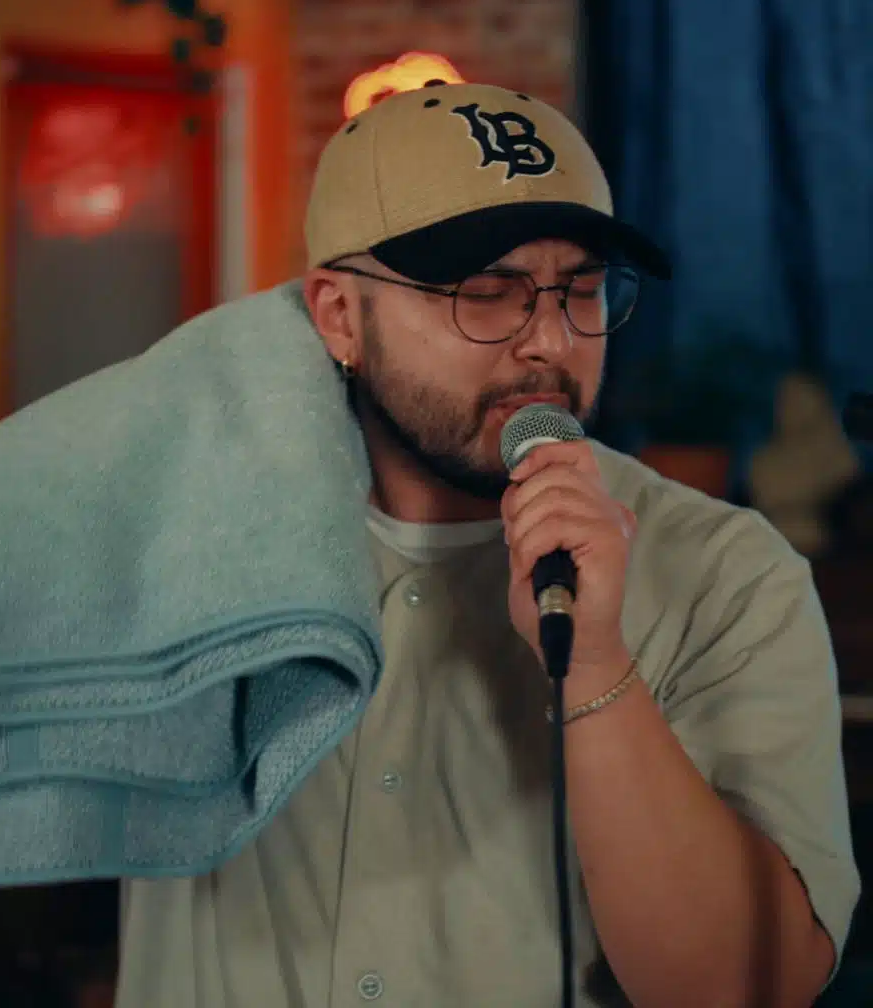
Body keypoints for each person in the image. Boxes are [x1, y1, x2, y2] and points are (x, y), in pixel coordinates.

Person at [114, 83, 859, 1007]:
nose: (549, 341)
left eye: (580, 290)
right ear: (340, 316)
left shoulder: (728, 574)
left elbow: (746, 989)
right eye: (486, 295)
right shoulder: (188, 535)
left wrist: (596, 665)